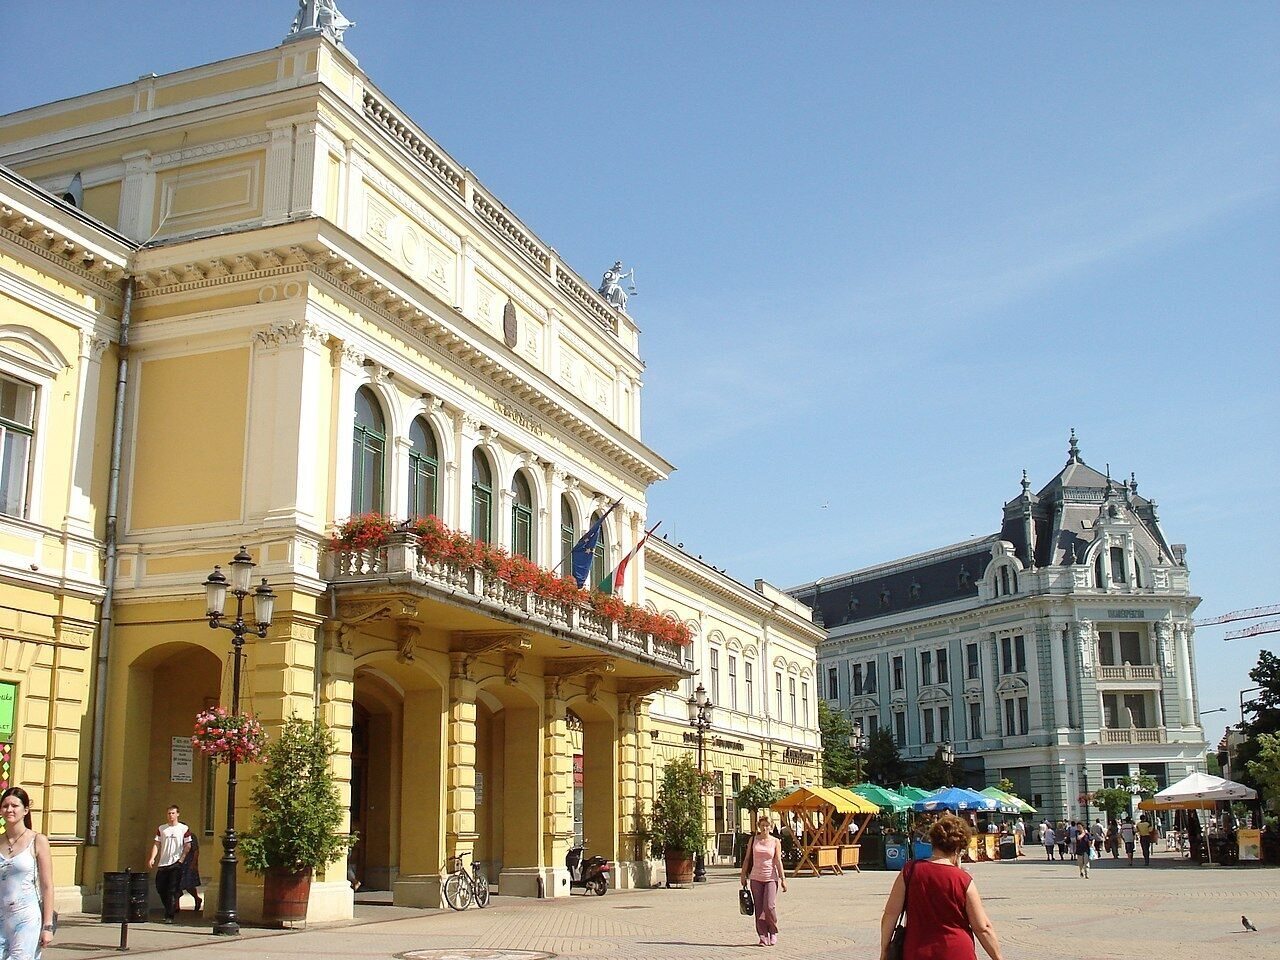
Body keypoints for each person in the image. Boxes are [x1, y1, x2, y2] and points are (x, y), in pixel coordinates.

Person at [878, 813, 1003, 960]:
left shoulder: (910, 871)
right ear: (958, 849)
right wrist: (998, 957)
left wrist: (885, 951)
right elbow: (982, 927)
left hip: (916, 952)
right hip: (957, 952)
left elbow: (890, 915)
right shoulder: (963, 880)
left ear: (933, 842)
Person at [0, 787, 56, 957]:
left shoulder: (37, 841)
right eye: (5, 806)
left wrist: (47, 926)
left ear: (25, 810)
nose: (9, 809)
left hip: (26, 919)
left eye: (14, 805)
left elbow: (47, 886)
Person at [739, 813, 787, 947]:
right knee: (759, 908)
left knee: (769, 906)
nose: (765, 828)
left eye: (767, 826)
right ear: (759, 827)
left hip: (771, 877)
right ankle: (762, 936)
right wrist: (743, 875)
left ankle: (773, 931)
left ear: (771, 827)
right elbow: (747, 858)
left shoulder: (775, 841)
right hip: (755, 877)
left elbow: (778, 860)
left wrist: (783, 879)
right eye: (762, 826)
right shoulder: (753, 840)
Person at [148, 805, 192, 923]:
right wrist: (152, 858)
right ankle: (170, 905)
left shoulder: (184, 828)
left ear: (178, 814)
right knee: (161, 887)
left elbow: (188, 845)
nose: (170, 816)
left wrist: (181, 859)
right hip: (163, 863)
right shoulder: (162, 829)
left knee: (171, 889)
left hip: (176, 863)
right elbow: (157, 843)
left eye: (173, 813)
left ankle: (169, 915)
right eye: (169, 813)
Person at [179, 832, 202, 912]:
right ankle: (176, 905)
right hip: (178, 863)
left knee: (189, 885)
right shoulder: (176, 835)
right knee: (175, 885)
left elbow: (196, 851)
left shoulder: (191, 836)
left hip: (188, 862)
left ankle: (197, 899)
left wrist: (194, 863)